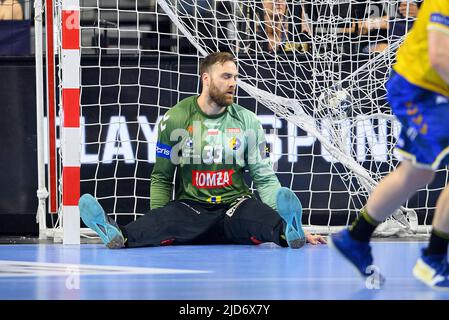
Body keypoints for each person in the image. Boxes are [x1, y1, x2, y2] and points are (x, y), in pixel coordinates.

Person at [79, 52, 326, 249]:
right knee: (158, 222)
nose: (233, 84)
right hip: (191, 208)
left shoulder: (248, 121)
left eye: (235, 78)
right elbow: (162, 178)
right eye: (226, 77)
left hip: (235, 206)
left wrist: (296, 226)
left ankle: (289, 231)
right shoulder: (175, 119)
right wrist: (159, 220)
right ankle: (117, 234)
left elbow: (263, 176)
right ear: (205, 78)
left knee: (264, 221)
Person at [329, 0, 449, 290]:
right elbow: (439, 56)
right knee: (418, 172)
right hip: (420, 89)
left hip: (436, 92)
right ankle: (433, 258)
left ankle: (356, 237)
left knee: (417, 174)